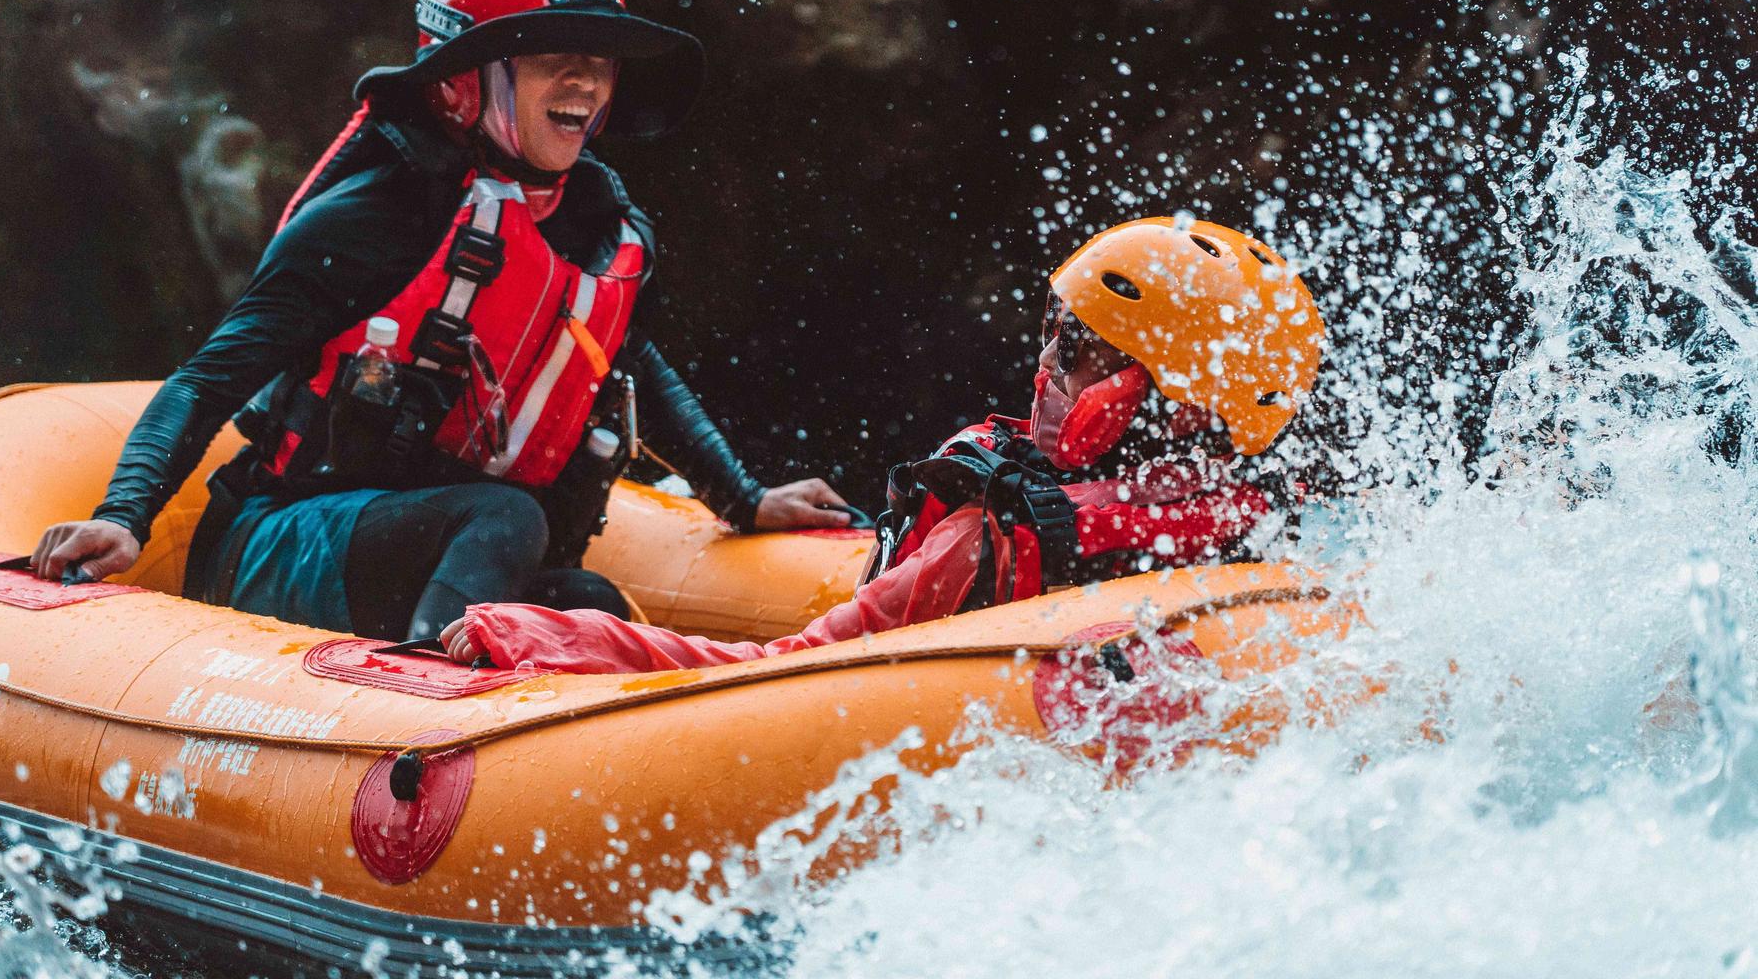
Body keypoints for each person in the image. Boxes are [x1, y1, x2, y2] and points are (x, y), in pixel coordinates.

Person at [31, 0, 849, 639]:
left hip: (430, 547)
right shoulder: (372, 215)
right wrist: (124, 514)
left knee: (587, 602)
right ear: (465, 82)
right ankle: (423, 731)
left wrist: (743, 499)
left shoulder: (591, 225)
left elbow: (631, 363)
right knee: (505, 517)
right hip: (278, 541)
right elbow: (208, 380)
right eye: (551, 60)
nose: (588, 84)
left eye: (598, 61)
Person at [440, 216, 1324, 672]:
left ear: (1182, 410)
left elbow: (770, 678)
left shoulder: (992, 540)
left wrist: (541, 636)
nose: (1047, 369)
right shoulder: (1263, 529)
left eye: (1083, 350)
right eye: (1051, 333)